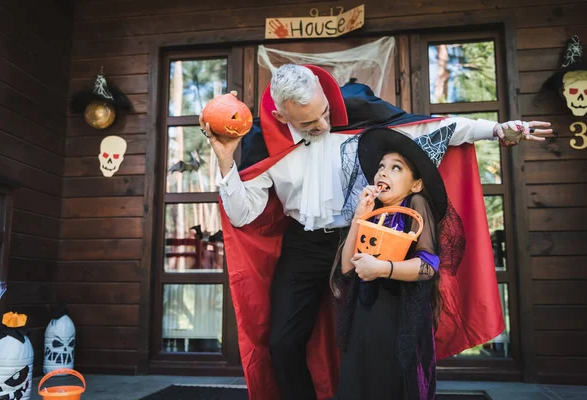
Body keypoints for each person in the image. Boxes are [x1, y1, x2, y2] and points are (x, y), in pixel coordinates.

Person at [200, 64, 552, 400]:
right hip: (303, 245)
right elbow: (243, 214)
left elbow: (431, 127)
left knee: (371, 338)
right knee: (283, 342)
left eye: (325, 111)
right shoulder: (263, 142)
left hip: (369, 238)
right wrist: (226, 159)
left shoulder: (357, 111)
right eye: (310, 121)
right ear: (282, 116)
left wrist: (497, 129)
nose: (324, 123)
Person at [331, 123, 458, 400]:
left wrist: (382, 269)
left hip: (399, 320)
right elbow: (346, 267)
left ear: (416, 183)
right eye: (381, 166)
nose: (383, 172)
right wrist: (359, 218)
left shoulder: (415, 205)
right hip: (366, 318)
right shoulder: (373, 211)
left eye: (396, 167)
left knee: (391, 387)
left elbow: (428, 266)